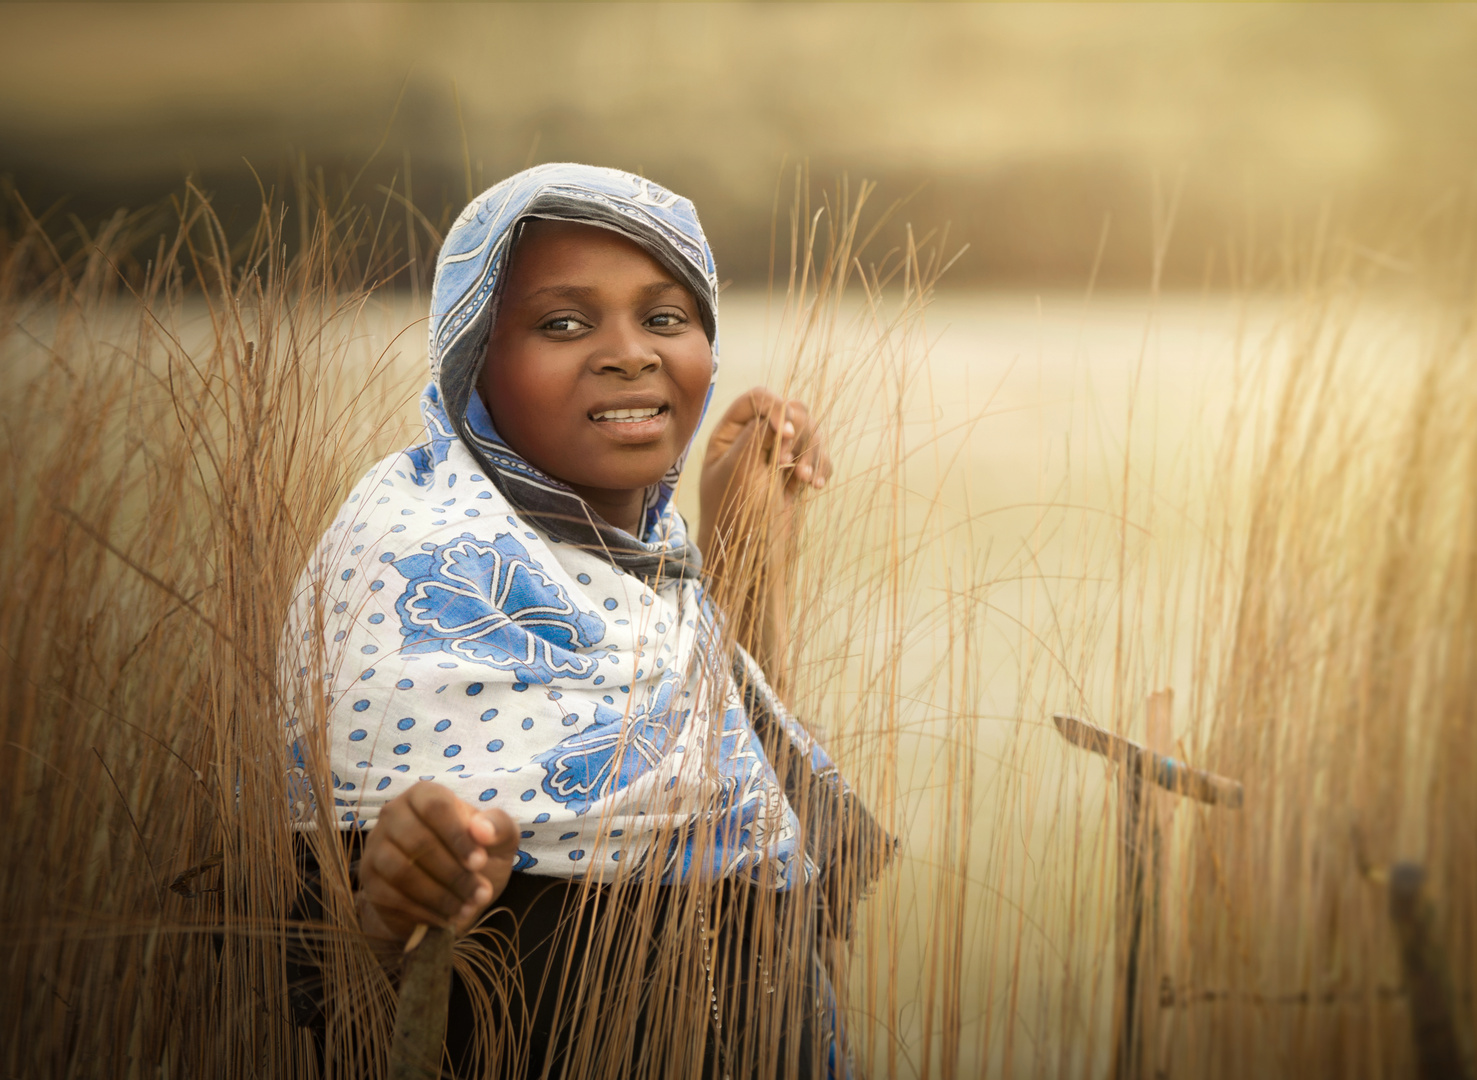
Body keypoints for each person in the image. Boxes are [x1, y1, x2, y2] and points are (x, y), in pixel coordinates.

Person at [283, 163, 885, 1078]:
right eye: (562, 323)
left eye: (665, 318)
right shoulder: (411, 565)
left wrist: (739, 552)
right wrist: (390, 895)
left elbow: (738, 838)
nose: (629, 353)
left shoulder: (653, 581)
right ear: (475, 360)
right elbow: (320, 963)